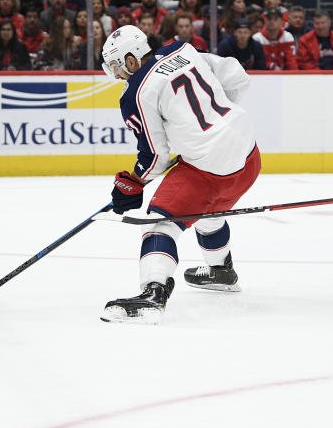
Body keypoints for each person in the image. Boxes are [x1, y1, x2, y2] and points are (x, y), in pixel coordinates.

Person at [100, 25, 260, 323]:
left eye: (116, 67)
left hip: (210, 167)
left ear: (131, 61)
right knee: (207, 207)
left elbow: (156, 156)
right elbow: (236, 74)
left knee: (159, 223)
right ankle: (220, 270)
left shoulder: (136, 92)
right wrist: (215, 125)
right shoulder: (181, 49)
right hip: (249, 154)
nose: (118, 75)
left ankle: (153, 293)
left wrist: (133, 183)